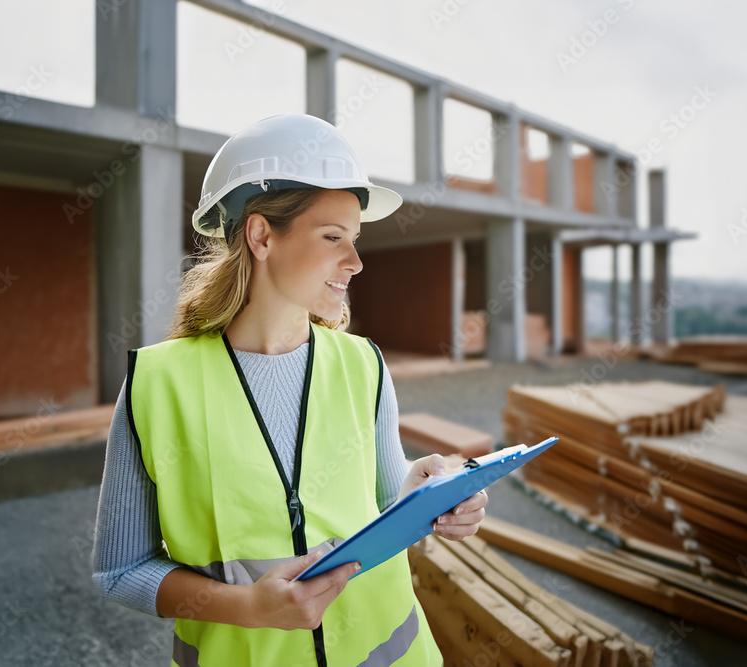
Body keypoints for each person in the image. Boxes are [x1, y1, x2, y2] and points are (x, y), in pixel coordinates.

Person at [91, 113, 487, 667]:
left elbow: (378, 499)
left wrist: (423, 493)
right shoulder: (157, 386)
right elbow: (121, 571)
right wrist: (248, 607)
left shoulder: (362, 363)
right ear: (260, 235)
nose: (355, 261)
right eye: (333, 238)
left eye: (354, 239)